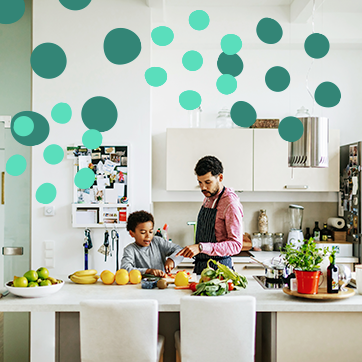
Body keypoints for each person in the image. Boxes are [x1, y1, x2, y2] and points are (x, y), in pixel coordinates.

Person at [176, 156, 244, 275]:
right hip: (201, 267)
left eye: (208, 182)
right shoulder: (209, 197)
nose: (203, 188)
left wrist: (201, 248)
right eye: (200, 182)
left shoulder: (231, 204)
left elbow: (236, 245)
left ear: (220, 177)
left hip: (219, 270)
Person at [121, 210, 183, 277]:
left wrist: (172, 260)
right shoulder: (130, 249)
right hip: (141, 285)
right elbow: (125, 269)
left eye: (150, 232)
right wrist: (148, 271)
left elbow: (180, 250)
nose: (148, 236)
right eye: (143, 232)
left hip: (162, 284)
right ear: (132, 233)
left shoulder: (157, 242)